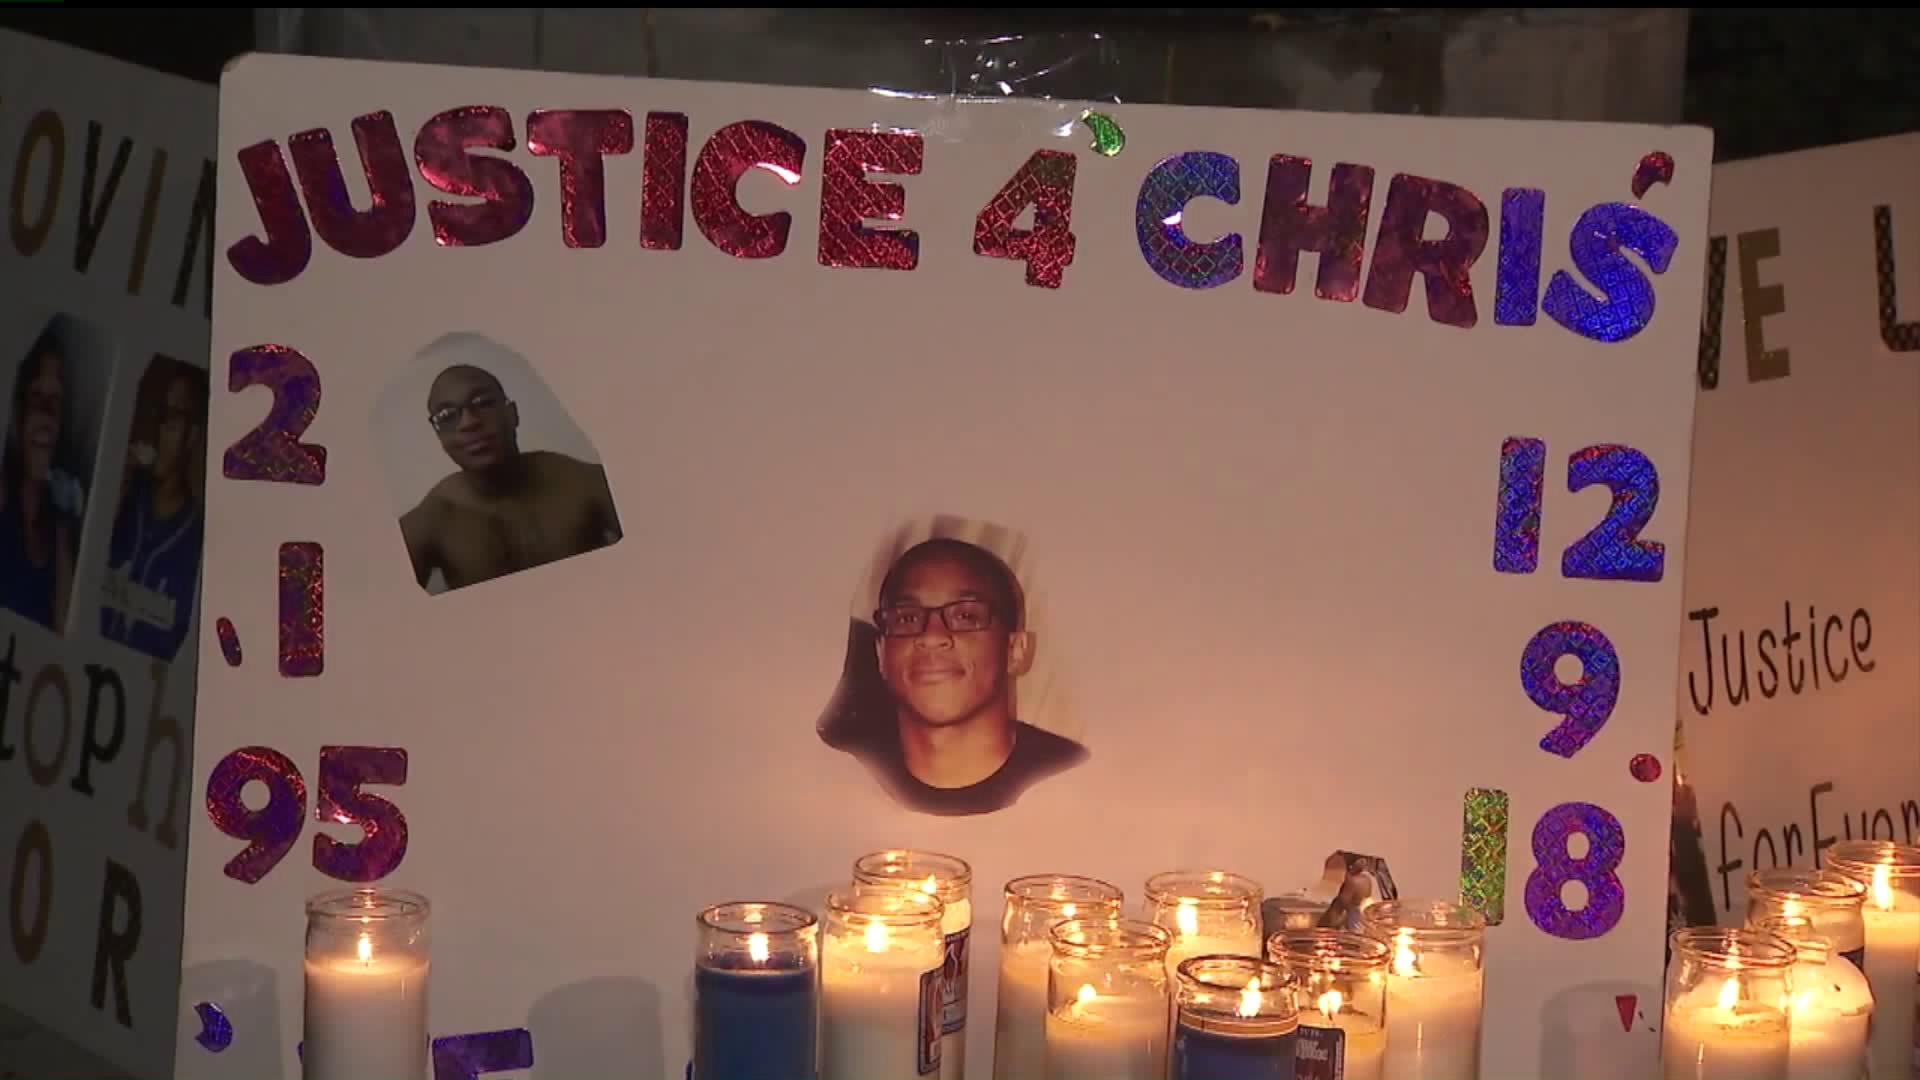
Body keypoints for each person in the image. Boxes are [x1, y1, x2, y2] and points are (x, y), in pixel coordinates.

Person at [822, 536, 1087, 816]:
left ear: (1015, 650)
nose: (932, 636)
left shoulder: (1072, 781)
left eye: (966, 616)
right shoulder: (835, 780)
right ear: (880, 653)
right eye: (907, 618)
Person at [397, 336, 622, 593]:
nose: (469, 423)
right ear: (439, 437)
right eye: (447, 416)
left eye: (483, 403)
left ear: (512, 414)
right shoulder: (428, 522)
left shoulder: (584, 483)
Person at [100, 355, 208, 661]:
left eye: (172, 418)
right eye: (158, 414)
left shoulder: (198, 539)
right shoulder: (122, 496)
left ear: (193, 435)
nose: (159, 430)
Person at [0, 327, 82, 633]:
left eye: (56, 400)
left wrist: (65, 517)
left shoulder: (59, 521)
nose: (47, 413)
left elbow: (64, 628)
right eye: (37, 396)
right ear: (19, 412)